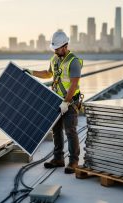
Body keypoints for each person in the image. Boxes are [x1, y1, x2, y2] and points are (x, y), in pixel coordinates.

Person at [24, 31, 83, 174]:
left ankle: (74, 161)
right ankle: (58, 159)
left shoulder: (73, 61)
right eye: (54, 49)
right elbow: (48, 73)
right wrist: (32, 72)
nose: (56, 51)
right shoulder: (54, 59)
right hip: (56, 101)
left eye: (58, 48)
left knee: (70, 131)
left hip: (70, 103)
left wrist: (66, 103)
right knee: (56, 131)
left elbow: (74, 84)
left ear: (65, 46)